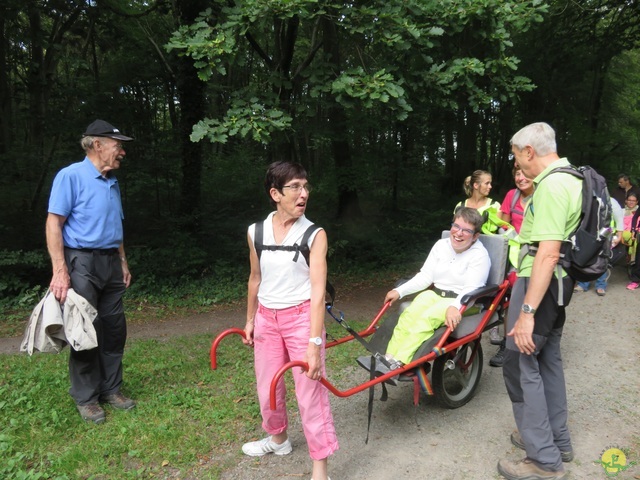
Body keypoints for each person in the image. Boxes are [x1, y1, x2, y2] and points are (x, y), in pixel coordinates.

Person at [242, 161, 337, 480]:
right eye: (295, 187)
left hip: (301, 319)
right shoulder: (255, 232)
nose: (303, 194)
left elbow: (317, 290)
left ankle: (320, 466)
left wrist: (314, 343)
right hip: (267, 319)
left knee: (310, 394)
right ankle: (278, 439)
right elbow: (255, 278)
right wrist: (250, 319)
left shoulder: (314, 234)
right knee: (267, 386)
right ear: (275, 193)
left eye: (305, 186)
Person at [498, 122, 580, 480]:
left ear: (528, 151)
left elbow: (546, 253)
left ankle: (543, 459)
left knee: (520, 365)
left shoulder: (551, 186)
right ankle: (556, 440)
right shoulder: (574, 177)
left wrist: (527, 312)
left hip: (538, 285)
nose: (518, 164)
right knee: (548, 361)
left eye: (517, 156)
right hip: (559, 286)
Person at [46, 119, 135, 424]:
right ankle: (86, 398)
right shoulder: (70, 176)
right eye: (117, 145)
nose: (121, 151)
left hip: (110, 261)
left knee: (113, 328)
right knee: (84, 330)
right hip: (81, 261)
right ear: (98, 145)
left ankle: (111, 389)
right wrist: (60, 270)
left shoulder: (112, 181)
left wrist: (122, 261)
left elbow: (116, 225)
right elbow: (53, 223)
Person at [381, 207, 490, 372]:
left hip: (462, 300)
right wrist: (400, 291)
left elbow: (472, 288)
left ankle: (401, 362)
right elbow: (425, 276)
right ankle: (388, 358)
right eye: (456, 226)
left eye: (466, 230)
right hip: (435, 294)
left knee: (426, 319)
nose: (458, 233)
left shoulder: (480, 255)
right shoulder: (441, 245)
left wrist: (456, 306)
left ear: (475, 236)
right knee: (408, 315)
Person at [489, 164, 535, 367]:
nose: (521, 178)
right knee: (511, 302)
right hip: (515, 261)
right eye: (517, 174)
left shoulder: (544, 196)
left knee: (536, 303)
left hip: (537, 258)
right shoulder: (512, 196)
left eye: (525, 174)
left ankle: (534, 347)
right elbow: (504, 229)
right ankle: (507, 347)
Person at [573, 199, 623, 296]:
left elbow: (619, 218)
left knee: (603, 257)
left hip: (606, 231)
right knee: (585, 257)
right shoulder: (588, 197)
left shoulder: (611, 200)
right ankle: (583, 284)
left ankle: (601, 285)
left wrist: (620, 235)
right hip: (588, 232)